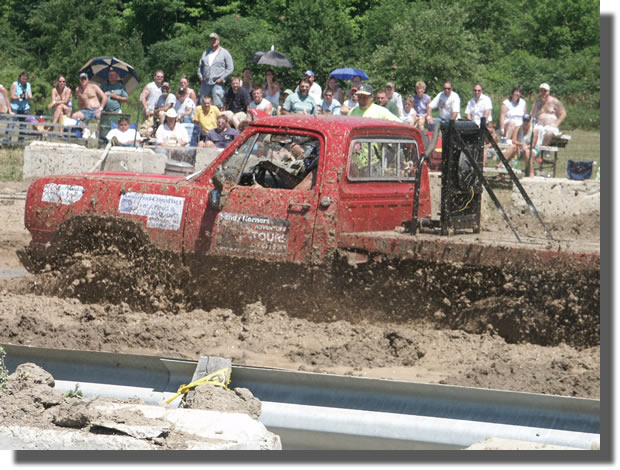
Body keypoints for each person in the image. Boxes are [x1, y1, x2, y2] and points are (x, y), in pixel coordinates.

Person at [197, 32, 234, 108]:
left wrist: (222, 78)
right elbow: (200, 66)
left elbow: (230, 68)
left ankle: (219, 119)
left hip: (217, 83)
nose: (213, 41)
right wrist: (200, 76)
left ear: (218, 41)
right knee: (203, 103)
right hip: (205, 82)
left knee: (218, 104)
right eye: (211, 39)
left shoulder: (225, 53)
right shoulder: (206, 52)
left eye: (214, 39)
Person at [530, 82, 566, 147]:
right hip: (540, 125)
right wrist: (530, 124)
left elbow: (563, 114)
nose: (543, 93)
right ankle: (536, 149)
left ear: (548, 92)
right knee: (534, 131)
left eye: (545, 91)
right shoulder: (537, 102)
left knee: (549, 132)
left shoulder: (554, 101)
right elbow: (532, 115)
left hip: (551, 126)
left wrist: (556, 123)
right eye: (541, 91)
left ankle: (543, 149)